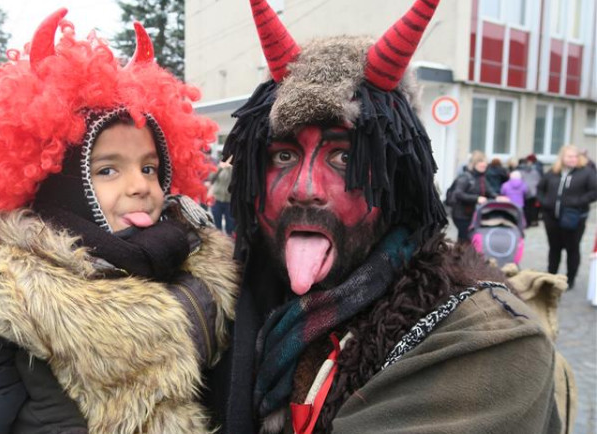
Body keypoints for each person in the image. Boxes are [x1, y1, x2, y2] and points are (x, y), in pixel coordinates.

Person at [206, 1, 561, 432]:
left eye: (343, 157)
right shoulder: (218, 304)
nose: (305, 188)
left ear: (401, 179)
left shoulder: (486, 341)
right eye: (283, 154)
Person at [0, 10, 238, 433]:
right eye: (108, 170)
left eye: (149, 168)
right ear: (63, 187)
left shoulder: (202, 266)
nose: (139, 185)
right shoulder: (3, 302)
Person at [537, 144, 597, 289]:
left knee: (573, 248)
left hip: (574, 218)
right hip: (552, 218)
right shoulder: (553, 172)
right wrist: (545, 203)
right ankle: (551, 276)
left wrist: (577, 202)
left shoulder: (586, 172)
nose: (573, 159)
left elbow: (594, 192)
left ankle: (570, 279)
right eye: (570, 156)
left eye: (576, 156)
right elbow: (540, 188)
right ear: (562, 157)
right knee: (554, 248)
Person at [450, 151, 497, 242]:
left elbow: (489, 191)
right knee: (464, 240)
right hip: (461, 215)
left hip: (473, 214)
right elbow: (458, 194)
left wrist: (497, 197)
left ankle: (466, 255)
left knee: (470, 240)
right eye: (480, 162)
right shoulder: (465, 177)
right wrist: (477, 198)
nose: (484, 164)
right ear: (474, 163)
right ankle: (459, 255)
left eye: (484, 162)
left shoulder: (481, 177)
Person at [208, 158, 236, 235]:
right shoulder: (218, 167)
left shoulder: (234, 169)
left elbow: (235, 180)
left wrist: (231, 168)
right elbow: (211, 178)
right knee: (217, 227)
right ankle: (219, 243)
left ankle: (230, 243)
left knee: (230, 227)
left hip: (229, 201)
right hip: (217, 200)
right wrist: (220, 168)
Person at [518, 157, 542, 227]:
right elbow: (539, 181)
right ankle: (533, 221)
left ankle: (527, 223)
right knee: (534, 208)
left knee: (526, 208)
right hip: (534, 192)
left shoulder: (521, 172)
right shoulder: (535, 172)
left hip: (525, 192)